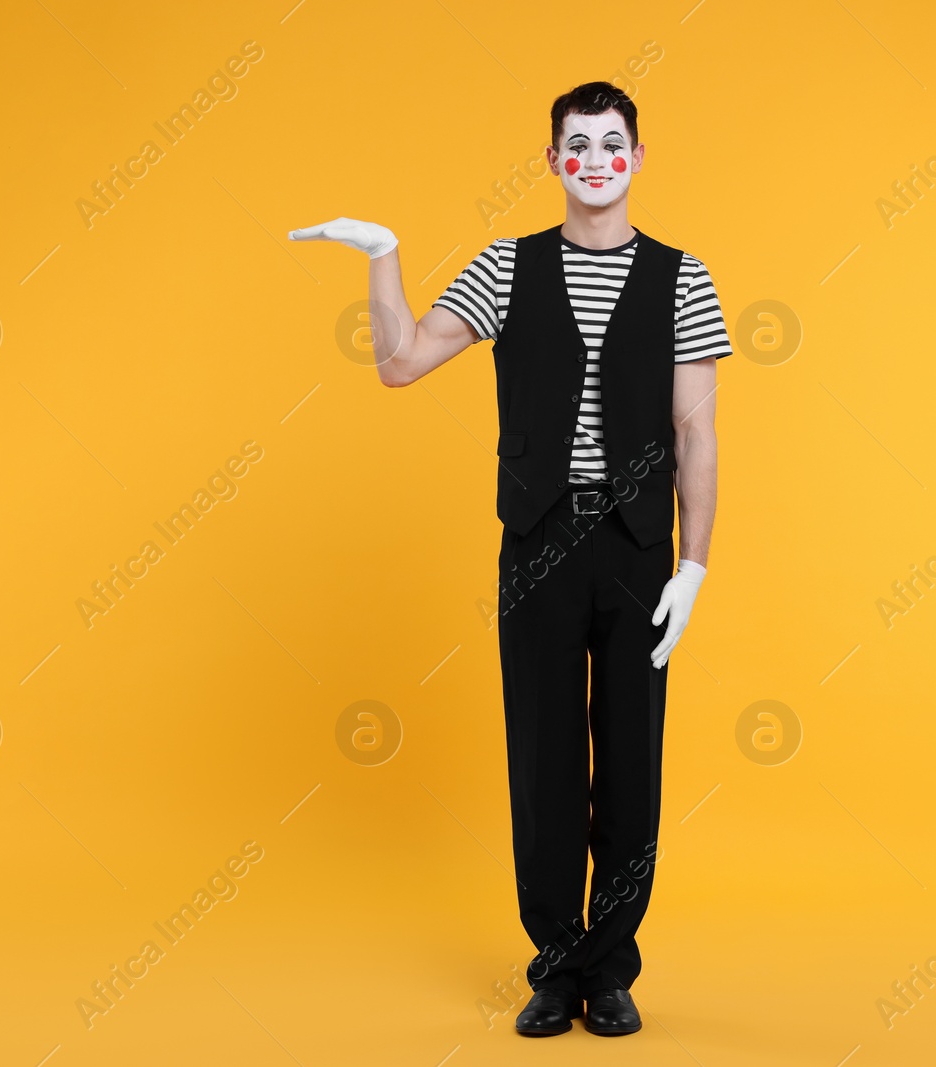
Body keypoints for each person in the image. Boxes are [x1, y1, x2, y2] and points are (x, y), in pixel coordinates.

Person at [290, 80, 730, 1037]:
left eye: (615, 144)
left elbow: (696, 434)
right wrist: (384, 256)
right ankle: (555, 964)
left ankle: (610, 970)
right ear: (553, 162)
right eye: (579, 144)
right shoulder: (506, 268)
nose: (598, 160)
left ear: (639, 158)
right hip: (536, 546)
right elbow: (401, 361)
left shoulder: (682, 278)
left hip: (637, 549)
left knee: (630, 763)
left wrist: (691, 567)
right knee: (543, 762)